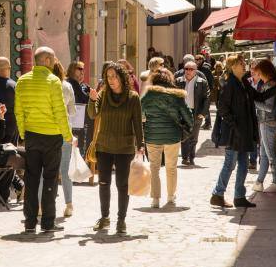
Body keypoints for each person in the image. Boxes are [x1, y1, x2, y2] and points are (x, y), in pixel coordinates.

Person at [14, 46, 72, 234]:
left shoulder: (22, 81)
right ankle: (47, 222)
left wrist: (24, 134)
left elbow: (18, 111)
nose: (56, 62)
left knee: (31, 178)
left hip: (32, 135)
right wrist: (67, 135)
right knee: (50, 179)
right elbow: (60, 111)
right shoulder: (53, 81)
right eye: (54, 58)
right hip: (52, 136)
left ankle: (30, 221)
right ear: (47, 60)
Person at [210, 53, 275, 209]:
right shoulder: (230, 84)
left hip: (245, 132)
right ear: (233, 67)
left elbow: (259, 97)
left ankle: (239, 196)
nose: (244, 65)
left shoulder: (244, 83)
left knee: (244, 164)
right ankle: (217, 194)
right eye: (241, 63)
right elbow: (223, 109)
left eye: (244, 62)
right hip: (234, 133)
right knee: (230, 164)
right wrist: (234, 125)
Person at [87, 61, 143, 235]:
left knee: (122, 185)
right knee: (104, 183)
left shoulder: (133, 98)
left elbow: (137, 124)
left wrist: (140, 146)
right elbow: (93, 114)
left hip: (124, 148)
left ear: (122, 77)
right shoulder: (103, 95)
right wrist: (92, 99)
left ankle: (121, 220)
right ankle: (105, 217)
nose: (111, 80)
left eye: (114, 76)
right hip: (104, 146)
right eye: (108, 77)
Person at [141, 69, 193, 208]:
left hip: (152, 136)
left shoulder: (148, 96)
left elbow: (140, 113)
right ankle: (171, 196)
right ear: (170, 81)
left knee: (154, 168)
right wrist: (189, 127)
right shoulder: (177, 96)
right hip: (172, 136)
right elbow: (188, 116)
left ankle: (155, 199)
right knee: (171, 167)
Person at [252, 59, 276, 193]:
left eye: (258, 72)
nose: (257, 75)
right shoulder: (268, 84)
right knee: (264, 154)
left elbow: (268, 107)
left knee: (269, 154)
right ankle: (259, 182)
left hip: (268, 122)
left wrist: (253, 102)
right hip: (267, 122)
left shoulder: (270, 85)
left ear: (264, 72)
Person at [53, 60, 77, 217]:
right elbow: (73, 111)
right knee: (65, 169)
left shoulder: (45, 86)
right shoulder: (67, 86)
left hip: (46, 131)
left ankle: (44, 203)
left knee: (46, 169)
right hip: (65, 132)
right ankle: (69, 204)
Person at [175, 61, 210, 166]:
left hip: (196, 112)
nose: (188, 71)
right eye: (186, 69)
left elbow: (207, 98)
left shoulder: (202, 82)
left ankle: (191, 157)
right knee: (184, 136)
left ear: (195, 71)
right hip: (182, 112)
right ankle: (185, 157)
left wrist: (203, 113)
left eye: (191, 69)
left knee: (193, 137)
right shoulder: (178, 81)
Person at [66, 61, 91, 155]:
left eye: (83, 69)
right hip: (72, 120)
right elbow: (85, 98)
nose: (82, 71)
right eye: (79, 69)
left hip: (80, 121)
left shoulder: (82, 85)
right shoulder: (70, 82)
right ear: (72, 69)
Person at [195, 54, 214, 130]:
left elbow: (211, 80)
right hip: (199, 90)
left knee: (205, 106)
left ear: (201, 60)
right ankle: (207, 122)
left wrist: (210, 90)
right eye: (195, 59)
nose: (196, 61)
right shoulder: (197, 68)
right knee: (203, 106)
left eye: (197, 59)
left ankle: (208, 123)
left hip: (205, 90)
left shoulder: (205, 69)